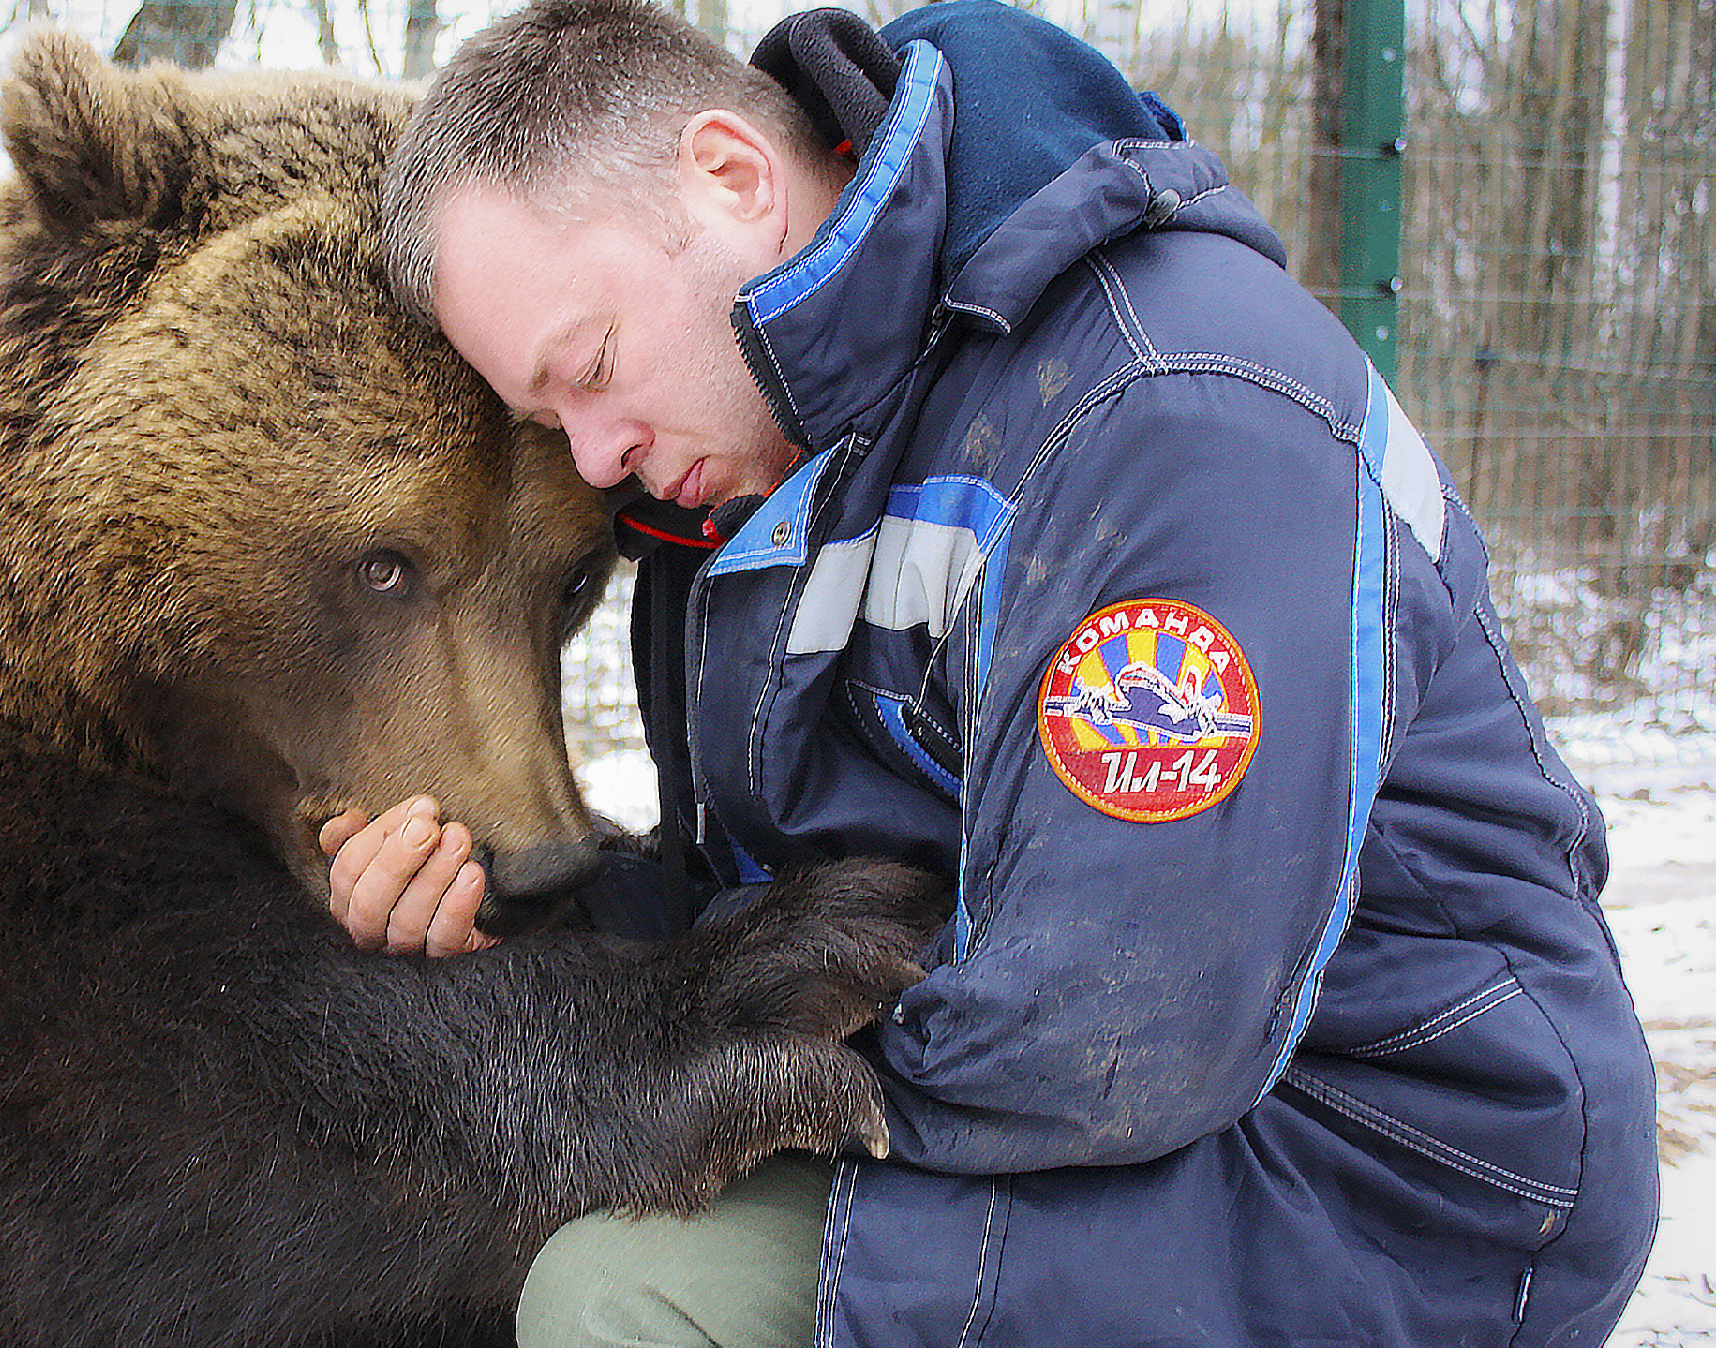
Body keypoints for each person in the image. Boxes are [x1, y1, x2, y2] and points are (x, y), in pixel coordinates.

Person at [322, 1, 1661, 1344]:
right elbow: (787, 899)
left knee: (626, 1301)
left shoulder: (1166, 412)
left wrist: (667, 1062)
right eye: (552, 420)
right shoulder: (738, 476)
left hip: (1385, 1164)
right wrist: (534, 931)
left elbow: (1121, 1036)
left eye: (593, 368)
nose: (597, 456)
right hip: (1080, 1102)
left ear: (730, 177)